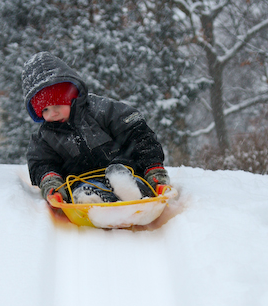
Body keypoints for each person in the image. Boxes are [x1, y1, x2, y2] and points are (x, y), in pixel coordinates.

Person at [22, 52, 171, 204]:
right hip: (81, 181)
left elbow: (138, 134)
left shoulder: (101, 111)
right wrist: (52, 184)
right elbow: (42, 164)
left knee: (119, 173)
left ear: (71, 97)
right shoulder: (44, 138)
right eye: (45, 110)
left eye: (57, 105)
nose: (52, 113)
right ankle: (91, 199)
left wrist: (153, 168)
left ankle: (129, 190)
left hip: (125, 170)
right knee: (83, 190)